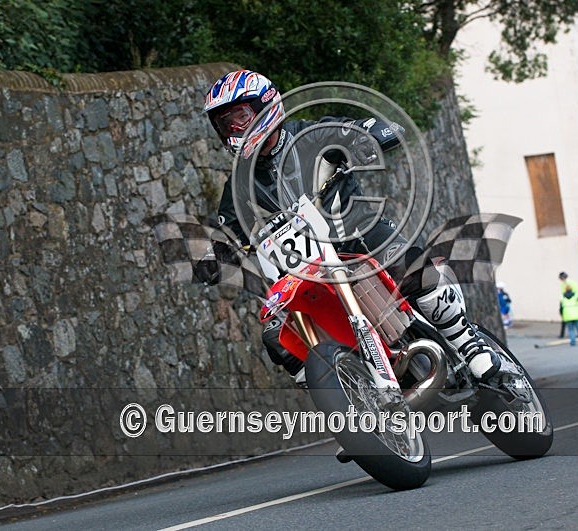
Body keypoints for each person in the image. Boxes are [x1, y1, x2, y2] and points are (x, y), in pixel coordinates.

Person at [196, 69, 502, 384]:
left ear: (266, 105)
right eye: (225, 123)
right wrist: (216, 255)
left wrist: (371, 136)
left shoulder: (313, 135)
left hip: (358, 236)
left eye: (240, 117)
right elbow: (227, 231)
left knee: (411, 267)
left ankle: (466, 341)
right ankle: (340, 390)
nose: (234, 128)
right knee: (276, 333)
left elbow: (370, 129)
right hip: (306, 272)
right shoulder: (238, 186)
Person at [558, 271, 578, 338]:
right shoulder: (564, 283)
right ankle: (562, 334)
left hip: (569, 303)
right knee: (571, 320)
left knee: (569, 319)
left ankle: (562, 334)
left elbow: (572, 293)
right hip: (567, 303)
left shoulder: (569, 283)